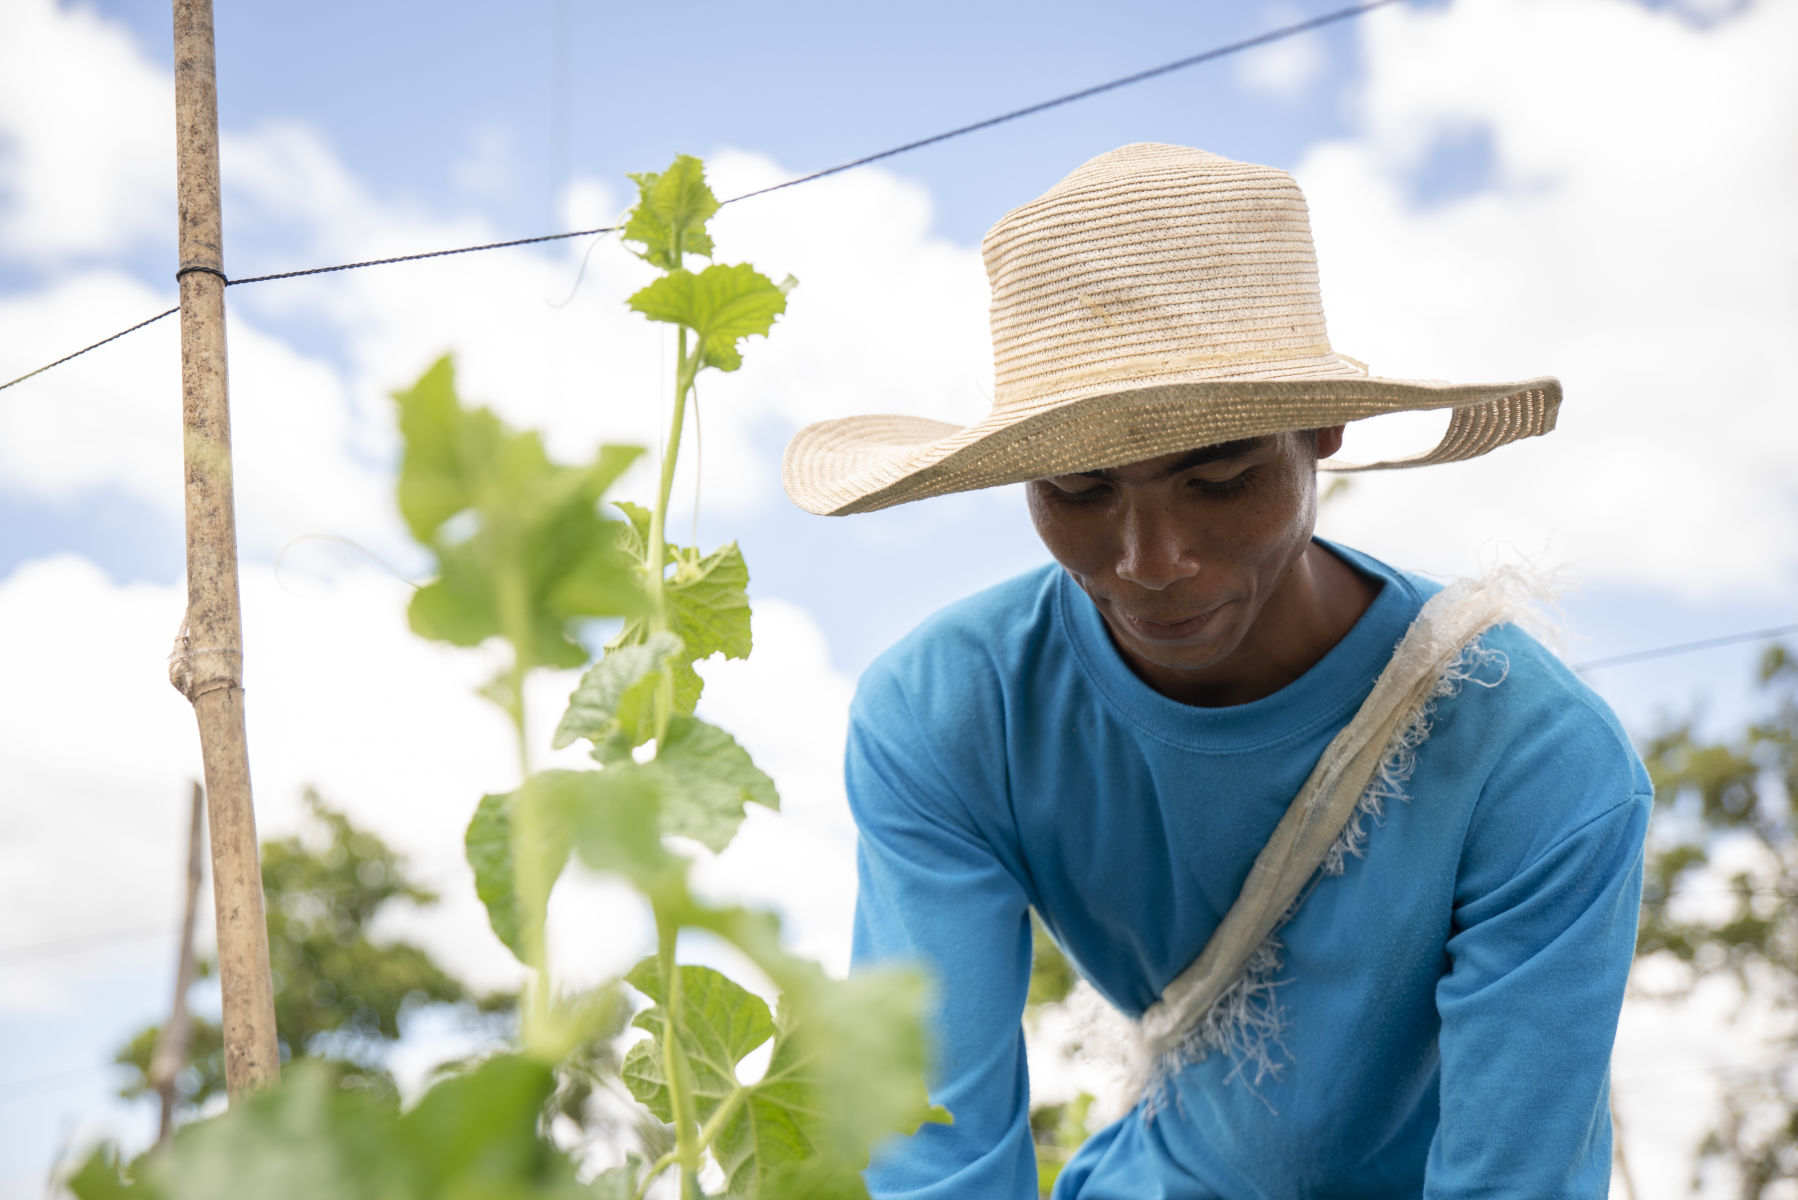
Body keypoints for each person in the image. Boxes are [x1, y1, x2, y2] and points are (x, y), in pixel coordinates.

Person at [781, 144, 1650, 1200]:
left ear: (1322, 430)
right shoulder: (952, 712)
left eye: (1220, 477)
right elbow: (937, 1152)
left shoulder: (1531, 757)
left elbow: (1515, 1181)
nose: (1148, 561)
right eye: (1079, 489)